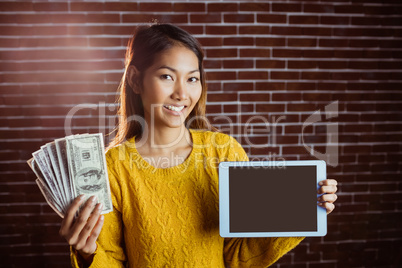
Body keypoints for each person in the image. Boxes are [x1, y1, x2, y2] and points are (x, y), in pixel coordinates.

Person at [59, 23, 338, 267]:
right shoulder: (111, 168)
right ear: (135, 79)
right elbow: (112, 259)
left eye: (192, 79)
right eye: (166, 76)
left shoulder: (223, 151)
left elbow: (238, 257)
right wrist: (88, 252)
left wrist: (304, 212)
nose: (182, 93)